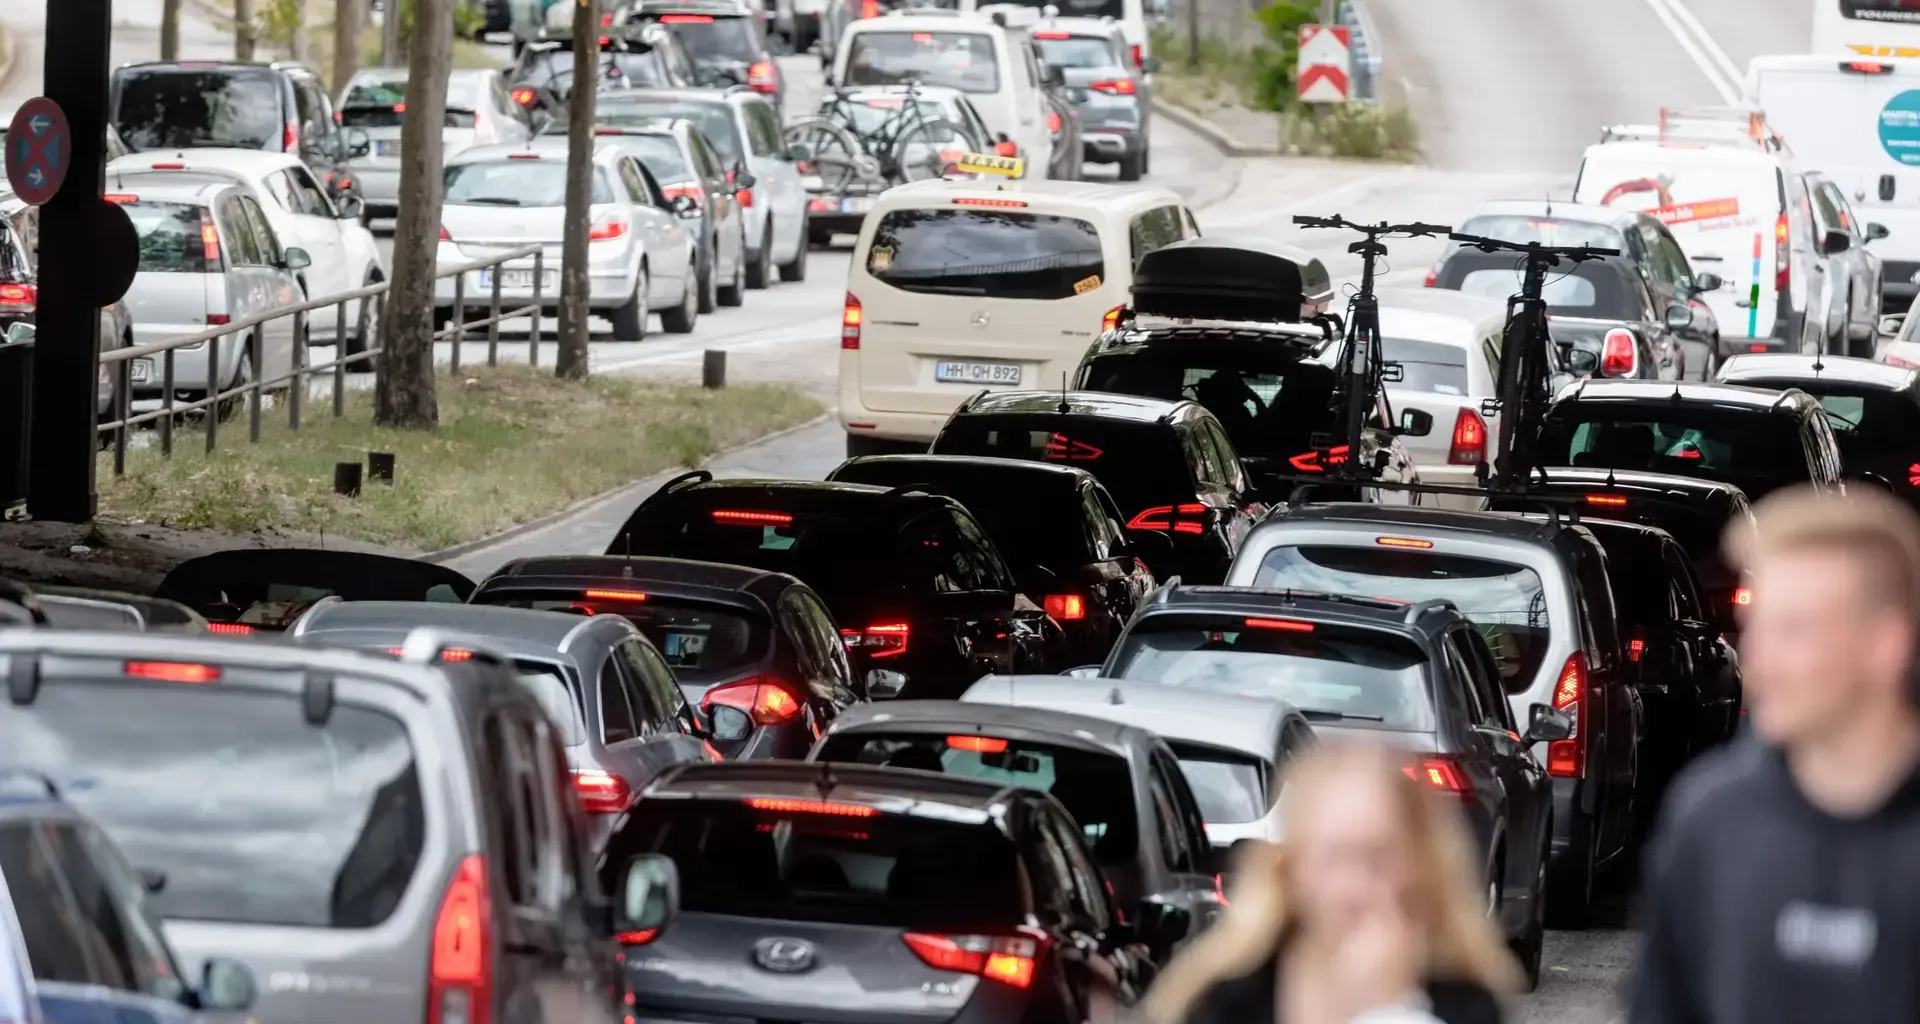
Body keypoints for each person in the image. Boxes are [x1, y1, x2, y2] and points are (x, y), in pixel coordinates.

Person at [1628, 486, 1920, 1023]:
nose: (1760, 658)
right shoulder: (1709, 821)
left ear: (1887, 644)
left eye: (1796, 629)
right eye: (1758, 627)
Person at [1138, 742, 1516, 1024]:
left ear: (1420, 866)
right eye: (1333, 856)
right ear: (1295, 869)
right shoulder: (1228, 999)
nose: (1353, 886)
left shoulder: (1467, 1004)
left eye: (1377, 856)